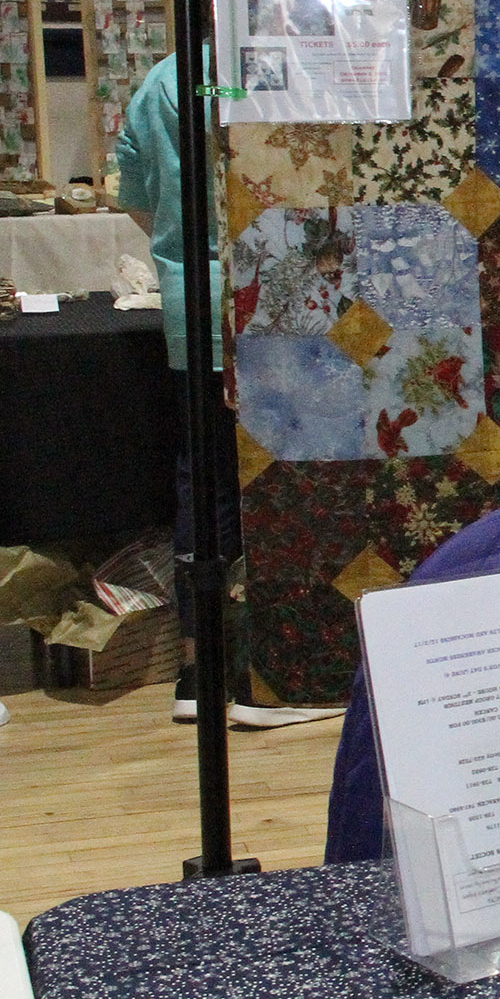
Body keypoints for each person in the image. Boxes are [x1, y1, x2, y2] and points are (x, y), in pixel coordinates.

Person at [116, 55, 327, 728]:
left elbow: (138, 200)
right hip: (282, 300)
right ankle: (274, 672)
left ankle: (198, 667)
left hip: (197, 304)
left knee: (204, 478)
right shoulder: (273, 66)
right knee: (288, 474)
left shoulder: (165, 80)